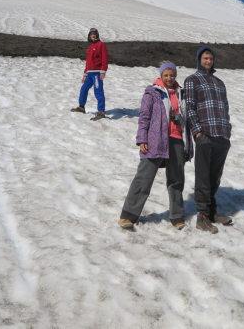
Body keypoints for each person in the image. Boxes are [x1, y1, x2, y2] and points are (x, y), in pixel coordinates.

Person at [119, 62, 192, 230]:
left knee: (176, 180)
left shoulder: (182, 94)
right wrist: (142, 139)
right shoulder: (152, 92)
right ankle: (128, 215)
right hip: (155, 139)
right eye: (165, 75)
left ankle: (177, 216)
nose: (169, 78)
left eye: (172, 75)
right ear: (161, 76)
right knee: (144, 177)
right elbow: (144, 116)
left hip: (177, 140)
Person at [183, 46, 232, 234]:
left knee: (215, 176)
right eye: (205, 58)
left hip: (221, 134)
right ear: (199, 59)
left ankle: (212, 212)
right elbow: (190, 107)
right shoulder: (192, 80)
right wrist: (197, 133)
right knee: (203, 177)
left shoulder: (220, 83)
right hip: (205, 134)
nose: (208, 61)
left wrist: (227, 131)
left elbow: (225, 108)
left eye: (211, 58)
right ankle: (202, 216)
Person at [71, 28, 108, 121]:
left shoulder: (101, 45)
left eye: (94, 34)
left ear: (97, 35)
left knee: (98, 91)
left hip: (97, 73)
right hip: (89, 74)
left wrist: (103, 71)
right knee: (83, 89)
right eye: (91, 34)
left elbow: (105, 59)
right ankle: (81, 107)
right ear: (89, 36)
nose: (93, 35)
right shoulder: (90, 47)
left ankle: (101, 111)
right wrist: (85, 74)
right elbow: (88, 62)